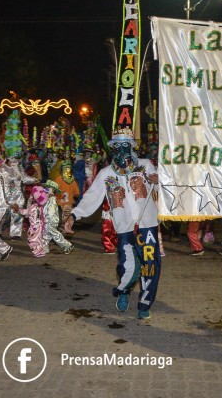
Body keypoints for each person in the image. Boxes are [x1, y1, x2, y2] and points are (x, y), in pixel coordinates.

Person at [64, 128, 160, 320]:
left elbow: (161, 188)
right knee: (126, 264)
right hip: (124, 226)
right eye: (117, 146)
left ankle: (144, 304)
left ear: (132, 147)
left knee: (150, 265)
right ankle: (123, 291)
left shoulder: (145, 165)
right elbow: (92, 197)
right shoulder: (106, 173)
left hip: (147, 224)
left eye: (125, 145)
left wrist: (158, 181)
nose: (121, 150)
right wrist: (74, 215)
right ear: (112, 148)